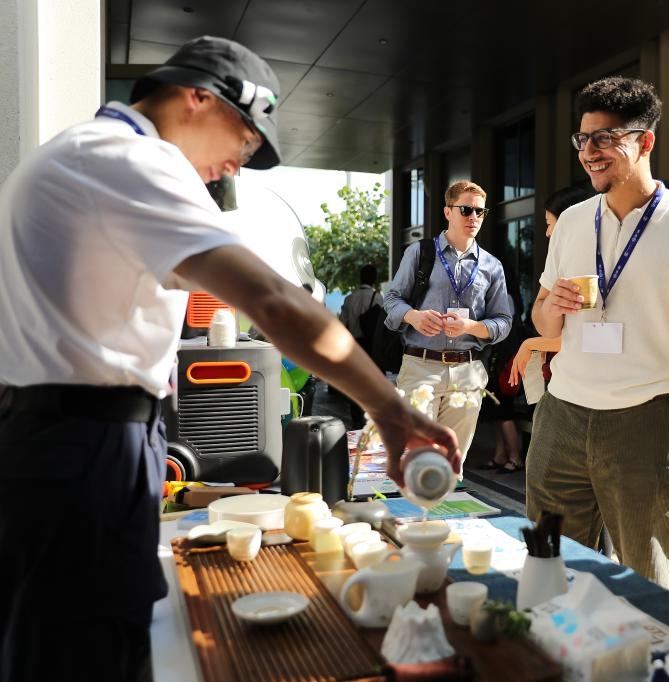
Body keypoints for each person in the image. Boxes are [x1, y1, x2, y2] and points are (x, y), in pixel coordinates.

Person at [0, 36, 458, 682]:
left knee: (63, 645)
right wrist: (388, 408)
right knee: (90, 651)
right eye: (245, 139)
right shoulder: (131, 161)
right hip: (87, 449)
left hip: (58, 443)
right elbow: (274, 301)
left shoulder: (79, 155)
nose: (238, 165)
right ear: (197, 97)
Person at [525, 76, 669, 595]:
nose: (589, 152)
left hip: (647, 422)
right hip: (562, 417)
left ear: (645, 141)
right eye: (582, 139)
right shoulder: (573, 221)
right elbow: (541, 320)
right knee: (550, 570)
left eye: (605, 138)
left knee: (650, 585)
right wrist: (550, 307)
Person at [383, 180, 513, 463]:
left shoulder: (492, 265)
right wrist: (413, 316)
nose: (474, 218)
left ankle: (445, 506)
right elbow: (391, 300)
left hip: (468, 371)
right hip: (421, 367)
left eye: (480, 212)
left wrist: (471, 327)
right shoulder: (420, 253)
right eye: (466, 210)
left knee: (452, 463)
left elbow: (504, 321)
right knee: (418, 460)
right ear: (447, 212)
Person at [509, 185, 595, 391]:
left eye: (550, 224)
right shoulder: (561, 258)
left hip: (584, 382)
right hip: (567, 378)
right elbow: (545, 319)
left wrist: (531, 344)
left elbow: (583, 334)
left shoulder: (591, 260)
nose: (548, 233)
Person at [477, 288, 528, 473]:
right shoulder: (506, 325)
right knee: (497, 416)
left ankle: (515, 457)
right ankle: (500, 455)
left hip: (504, 376)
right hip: (495, 374)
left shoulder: (510, 328)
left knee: (505, 415)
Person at [336, 263, 383, 426]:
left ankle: (356, 420)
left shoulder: (350, 298)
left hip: (354, 347)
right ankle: (371, 418)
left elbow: (342, 324)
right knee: (372, 384)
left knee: (355, 384)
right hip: (372, 349)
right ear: (374, 279)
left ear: (360, 278)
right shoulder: (378, 297)